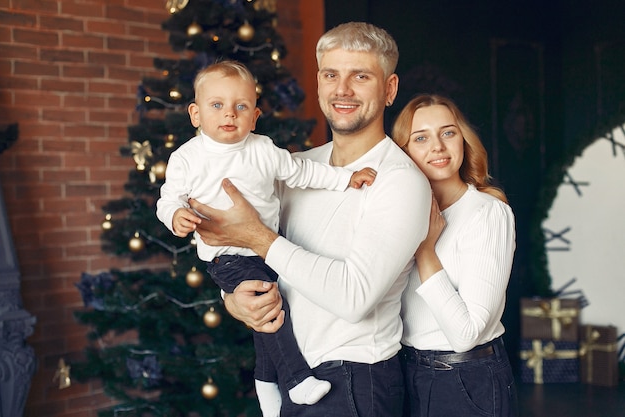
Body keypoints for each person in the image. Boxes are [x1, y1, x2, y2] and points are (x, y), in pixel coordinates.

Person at [188, 23, 431, 417]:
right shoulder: (296, 167)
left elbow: (353, 298)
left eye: (361, 76)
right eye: (331, 75)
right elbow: (238, 248)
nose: (343, 90)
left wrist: (260, 239)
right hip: (294, 377)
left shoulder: (401, 182)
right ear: (319, 84)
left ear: (389, 89)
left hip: (355, 383)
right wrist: (233, 301)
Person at [156, 60, 379, 417]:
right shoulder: (187, 158)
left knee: (266, 314)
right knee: (274, 311)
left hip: (265, 246)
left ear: (255, 116)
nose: (229, 114)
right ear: (195, 114)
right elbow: (168, 199)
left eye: (241, 106)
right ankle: (296, 379)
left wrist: (344, 179)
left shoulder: (262, 149)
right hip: (226, 255)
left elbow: (301, 171)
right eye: (217, 105)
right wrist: (175, 216)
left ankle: (264, 380)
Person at [391, 94, 517, 417]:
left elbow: (466, 335)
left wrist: (425, 249)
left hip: (466, 381)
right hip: (404, 375)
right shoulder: (397, 215)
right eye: (421, 138)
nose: (438, 146)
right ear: (404, 152)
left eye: (448, 133)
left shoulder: (488, 214)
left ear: (463, 140)